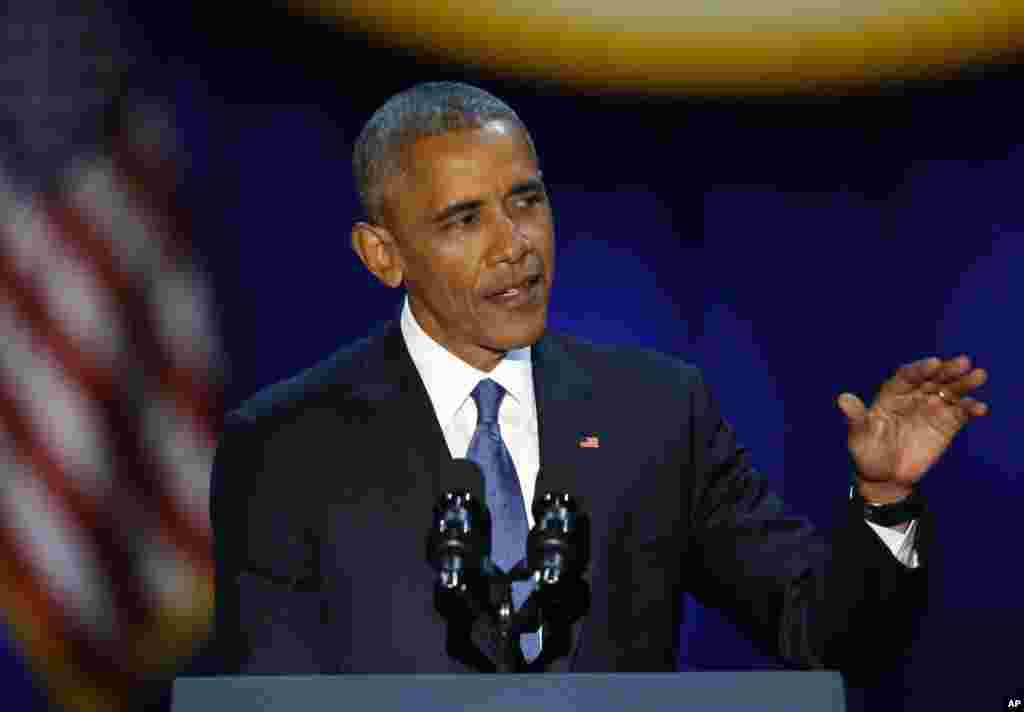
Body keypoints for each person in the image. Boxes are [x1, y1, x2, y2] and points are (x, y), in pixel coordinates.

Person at [207, 82, 989, 679]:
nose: (514, 245)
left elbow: (827, 636)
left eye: (526, 201)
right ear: (383, 255)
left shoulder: (658, 411)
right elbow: (271, 695)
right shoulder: (283, 446)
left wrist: (885, 501)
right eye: (464, 220)